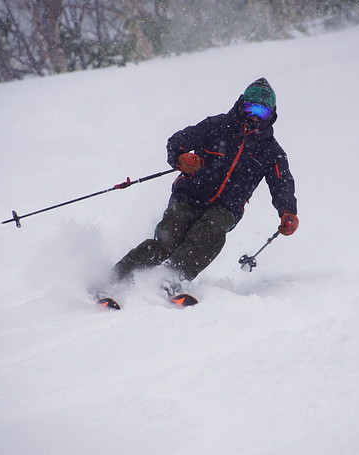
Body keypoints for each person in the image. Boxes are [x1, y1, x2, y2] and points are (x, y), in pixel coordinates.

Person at [96, 77, 298, 307]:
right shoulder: (217, 126)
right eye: (250, 109)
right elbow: (178, 140)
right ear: (241, 105)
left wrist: (287, 211)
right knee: (168, 237)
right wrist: (181, 157)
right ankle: (114, 280)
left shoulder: (271, 151)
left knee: (209, 230)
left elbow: (282, 183)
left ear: (271, 115)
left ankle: (171, 279)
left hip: (227, 207)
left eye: (261, 113)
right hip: (190, 194)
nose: (254, 117)